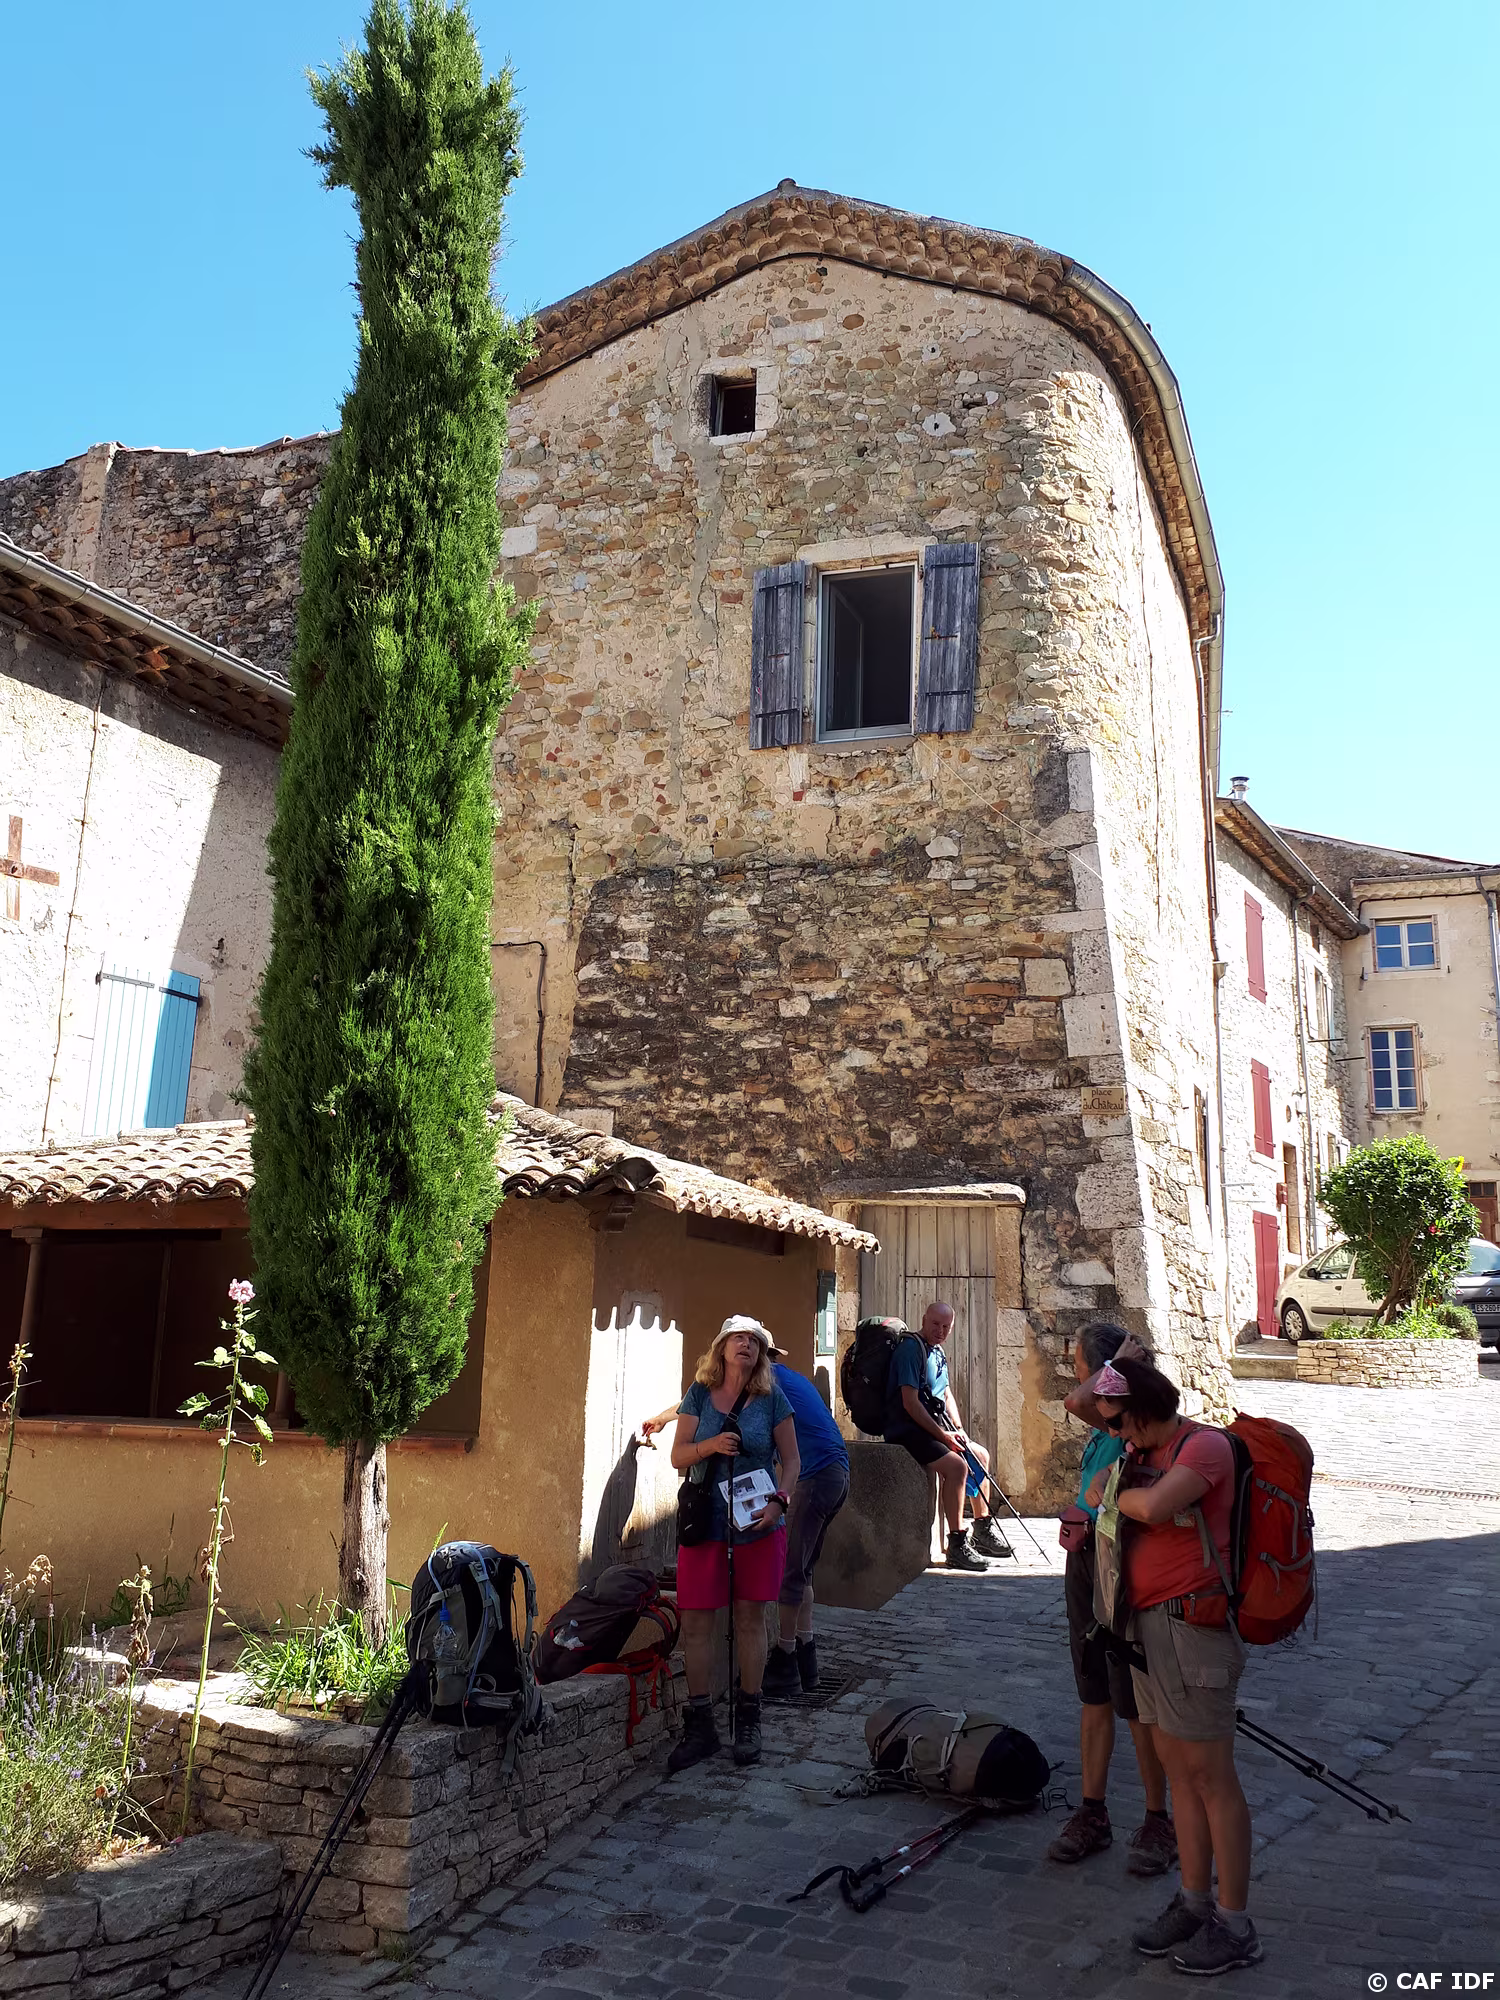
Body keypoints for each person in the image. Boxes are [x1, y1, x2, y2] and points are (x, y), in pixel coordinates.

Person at [1092, 1356, 1260, 1976]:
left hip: (1194, 1632)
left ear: (1144, 1411)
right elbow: (1097, 1488)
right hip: (1145, 1628)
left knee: (1212, 1778)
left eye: (1119, 1422)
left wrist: (1120, 1492)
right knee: (1178, 1773)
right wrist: (1119, 1482)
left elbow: (1155, 1506)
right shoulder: (1139, 1450)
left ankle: (1236, 1924)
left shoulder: (1205, 1448)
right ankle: (1194, 1902)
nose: (1114, 1434)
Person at [1046, 1321, 1176, 1877]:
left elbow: (1078, 1399)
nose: (1074, 1376)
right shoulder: (1106, 1419)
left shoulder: (1129, 1415)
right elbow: (1082, 1400)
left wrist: (1115, 1366)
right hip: (1086, 1558)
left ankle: (1158, 1819)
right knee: (1093, 1690)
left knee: (1134, 1699)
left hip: (1120, 1566)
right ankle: (1092, 1811)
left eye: (1079, 1364)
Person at [664, 1316, 800, 1772]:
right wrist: (710, 1446)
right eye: (738, 1338)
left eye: (754, 1341)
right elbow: (678, 1455)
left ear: (761, 1354)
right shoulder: (699, 1394)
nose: (746, 1345)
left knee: (750, 1619)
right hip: (705, 1520)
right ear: (721, 1347)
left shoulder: (772, 1398)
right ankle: (701, 1725)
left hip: (757, 1521)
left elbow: (792, 1461)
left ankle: (749, 1720)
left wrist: (780, 1503)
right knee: (696, 1622)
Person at [884, 1301, 1012, 1570]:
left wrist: (958, 1429)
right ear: (924, 1320)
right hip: (906, 1428)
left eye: (946, 1327)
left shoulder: (937, 1351)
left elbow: (945, 1393)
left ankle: (982, 1529)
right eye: (935, 1324)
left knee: (980, 1455)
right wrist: (944, 1436)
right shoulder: (910, 1350)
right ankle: (956, 1544)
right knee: (957, 1467)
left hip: (932, 1427)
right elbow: (910, 1403)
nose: (940, 1331)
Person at [762, 1355, 850, 1696]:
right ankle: (806, 1658)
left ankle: (786, 1660)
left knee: (790, 1571)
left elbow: (708, 1400)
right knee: (804, 1570)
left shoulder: (767, 1381)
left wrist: (665, 1419)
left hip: (815, 1478)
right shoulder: (794, 1378)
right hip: (838, 1475)